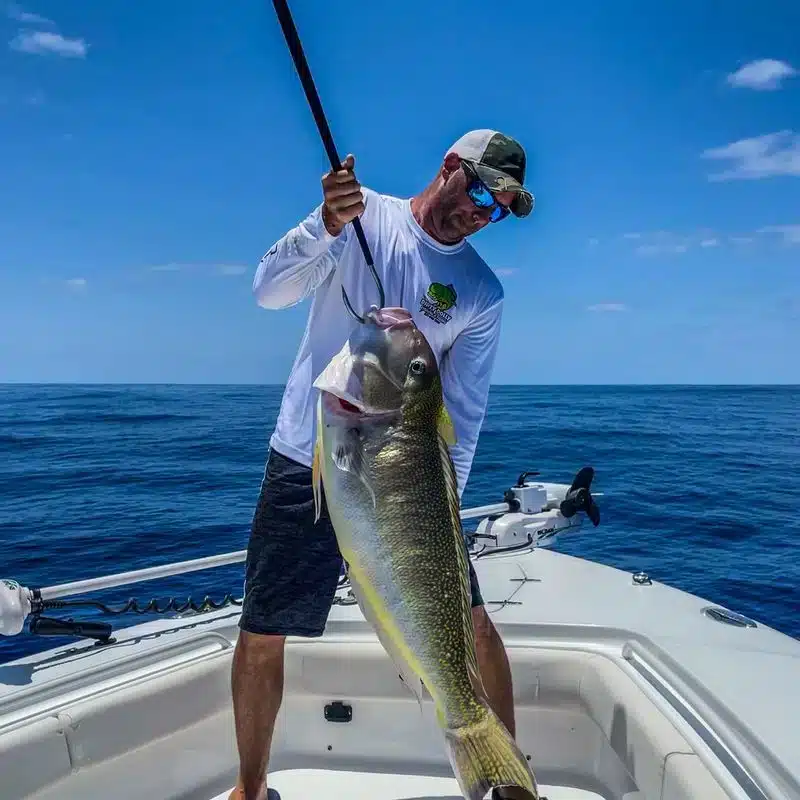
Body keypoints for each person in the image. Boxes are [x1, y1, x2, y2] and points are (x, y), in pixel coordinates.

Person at [230, 129, 535, 800]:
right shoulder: (359, 210)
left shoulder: (482, 292)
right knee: (262, 627)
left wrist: (440, 508)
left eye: (499, 209)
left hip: (409, 480)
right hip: (305, 455)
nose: (482, 213)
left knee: (469, 620)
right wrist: (324, 223)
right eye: (481, 191)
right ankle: (249, 790)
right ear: (450, 166)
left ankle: (507, 778)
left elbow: (464, 408)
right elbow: (269, 291)